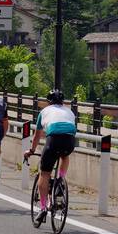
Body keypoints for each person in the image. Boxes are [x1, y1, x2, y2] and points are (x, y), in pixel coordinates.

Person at [24, 89, 77, 225]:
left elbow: (37, 135)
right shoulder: (70, 112)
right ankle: (60, 180)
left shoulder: (44, 111)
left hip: (53, 139)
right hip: (69, 140)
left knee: (45, 173)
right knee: (64, 155)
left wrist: (31, 150)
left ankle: (42, 208)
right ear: (62, 101)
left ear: (49, 101)